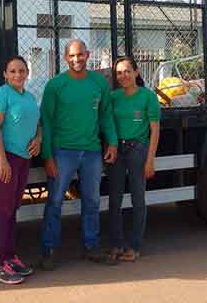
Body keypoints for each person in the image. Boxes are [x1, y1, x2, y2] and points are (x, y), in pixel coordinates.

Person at [39, 39, 118, 270]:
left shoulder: (99, 83)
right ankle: (49, 249)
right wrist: (48, 156)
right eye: (72, 56)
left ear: (88, 55)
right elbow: (47, 121)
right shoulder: (55, 85)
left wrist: (111, 143)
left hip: (92, 152)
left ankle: (91, 246)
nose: (77, 59)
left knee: (92, 201)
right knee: (54, 201)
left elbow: (106, 115)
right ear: (65, 58)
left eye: (80, 55)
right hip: (62, 152)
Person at [0, 55, 42, 284]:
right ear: (5, 75)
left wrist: (39, 138)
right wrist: (2, 160)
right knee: (3, 210)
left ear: (27, 72)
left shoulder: (29, 97)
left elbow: (37, 124)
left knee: (12, 209)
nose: (17, 75)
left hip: (22, 158)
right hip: (4, 158)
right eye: (12, 71)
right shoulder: (0, 95)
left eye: (21, 70)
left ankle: (10, 258)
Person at [107, 56, 160, 264]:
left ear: (136, 73)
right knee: (114, 199)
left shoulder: (148, 97)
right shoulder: (113, 97)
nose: (123, 76)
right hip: (116, 150)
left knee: (138, 199)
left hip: (138, 149)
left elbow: (155, 130)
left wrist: (150, 160)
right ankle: (117, 244)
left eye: (127, 71)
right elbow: (106, 121)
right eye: (119, 73)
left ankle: (135, 246)